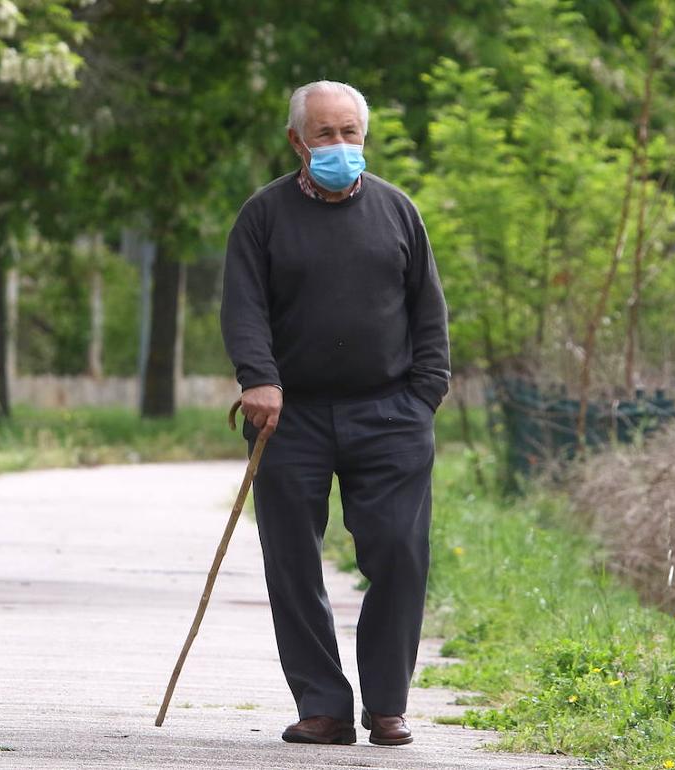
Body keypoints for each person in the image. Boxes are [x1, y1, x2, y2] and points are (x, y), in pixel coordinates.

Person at [219, 80, 450, 747]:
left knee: (401, 557)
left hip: (391, 413)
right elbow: (243, 308)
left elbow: (428, 313)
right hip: (287, 417)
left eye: (350, 132)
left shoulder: (398, 212)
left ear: (365, 137)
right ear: (297, 140)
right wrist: (258, 380)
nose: (340, 145)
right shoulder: (262, 217)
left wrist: (425, 393)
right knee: (291, 561)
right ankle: (322, 706)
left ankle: (386, 704)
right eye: (325, 133)